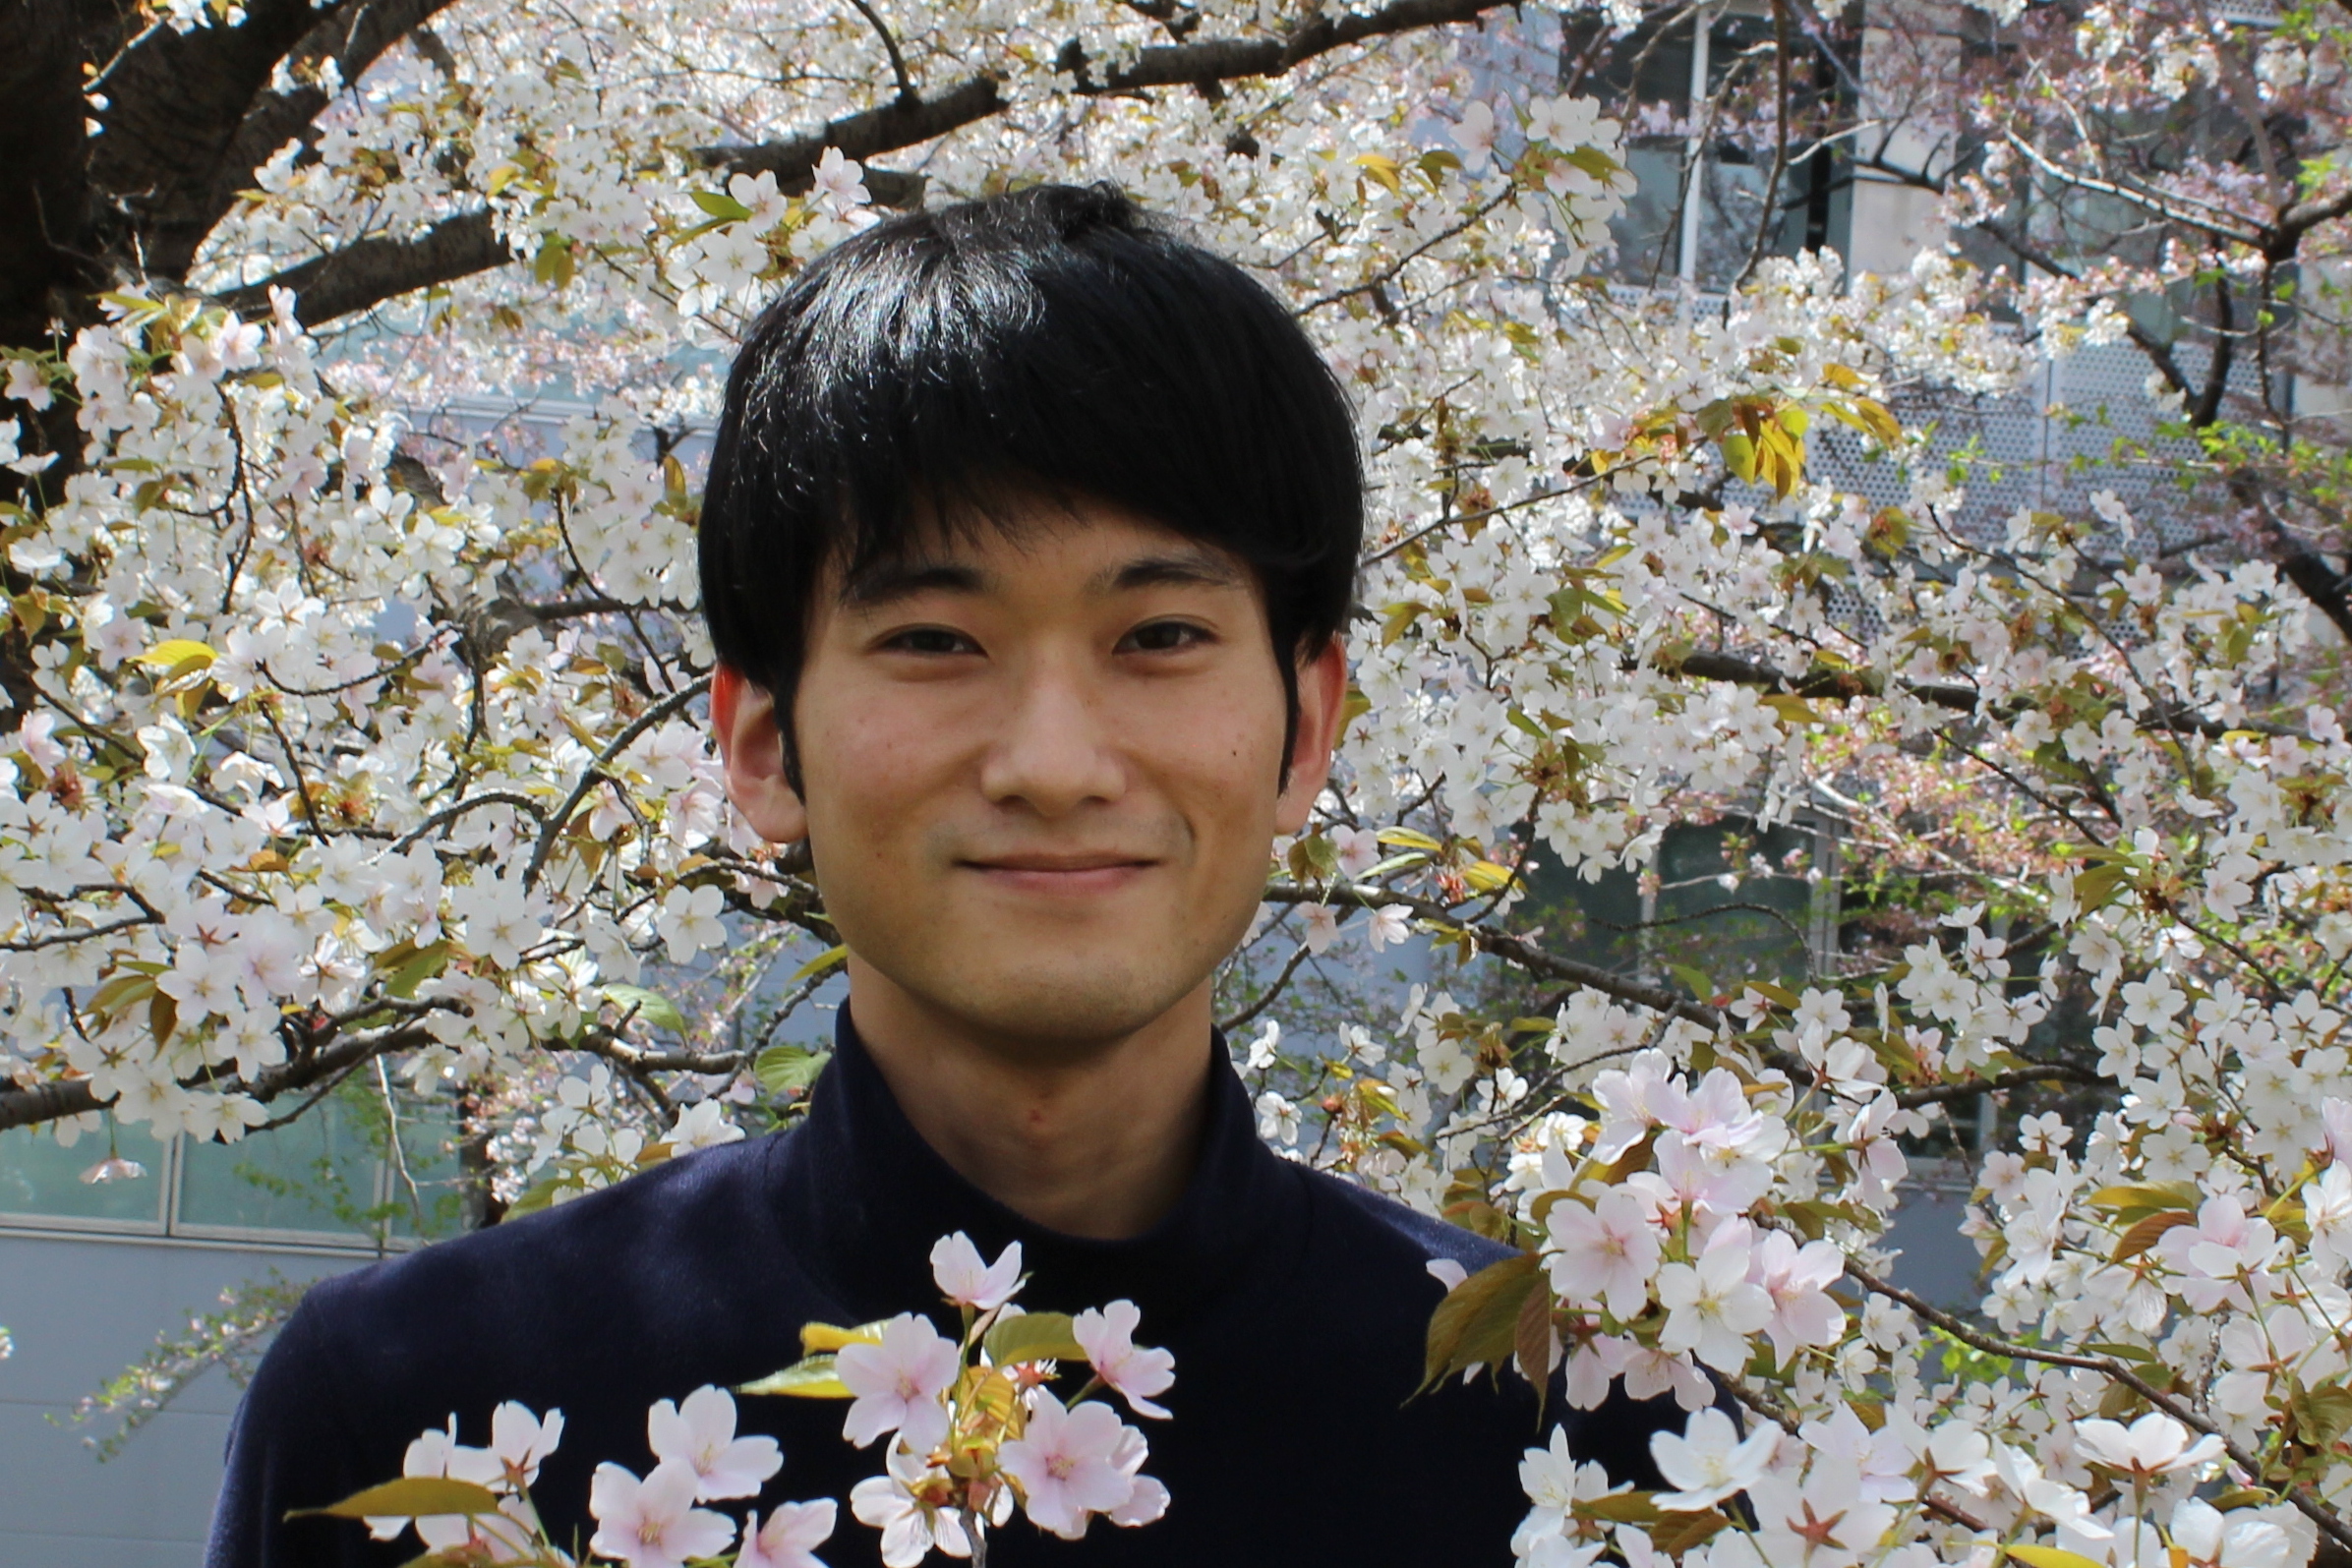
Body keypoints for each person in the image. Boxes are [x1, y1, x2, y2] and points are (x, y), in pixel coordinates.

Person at [206, 182, 1684, 1567]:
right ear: (765, 741)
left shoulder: (1598, 1447)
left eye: (1160, 636)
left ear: (1306, 729)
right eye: (934, 640)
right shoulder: (426, 1412)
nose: (1054, 763)